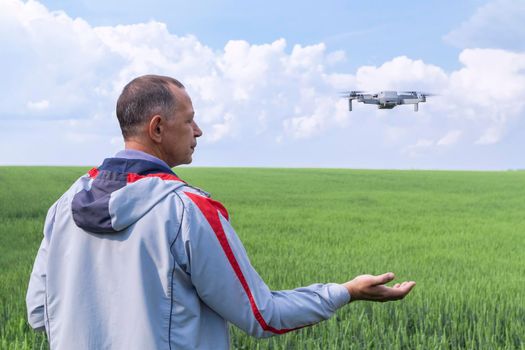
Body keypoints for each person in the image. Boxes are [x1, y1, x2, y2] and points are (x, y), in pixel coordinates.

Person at [26, 75, 416, 349]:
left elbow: (41, 314)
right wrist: (346, 292)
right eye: (190, 119)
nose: (199, 131)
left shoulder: (65, 205)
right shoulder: (187, 210)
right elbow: (264, 316)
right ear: (158, 128)